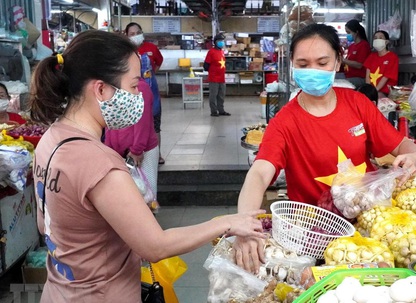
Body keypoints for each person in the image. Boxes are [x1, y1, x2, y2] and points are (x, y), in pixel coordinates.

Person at [29, 30, 266, 302]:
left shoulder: (51, 139)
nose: (138, 95)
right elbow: (155, 246)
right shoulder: (99, 162)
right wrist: (226, 222)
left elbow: (44, 223)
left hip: (59, 292)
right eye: (132, 86)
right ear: (101, 89)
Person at [232, 23, 416, 273]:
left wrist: (413, 155)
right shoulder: (285, 121)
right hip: (313, 237)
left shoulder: (358, 104)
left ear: (338, 61)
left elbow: (401, 144)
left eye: (322, 63)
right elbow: (259, 173)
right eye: (303, 64)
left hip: (367, 230)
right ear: (292, 64)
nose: (313, 70)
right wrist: (245, 224)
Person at [104, 77, 159, 198]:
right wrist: (109, 149)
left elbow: (143, 122)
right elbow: (109, 121)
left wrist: (136, 150)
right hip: (118, 152)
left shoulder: (140, 87)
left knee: (147, 195)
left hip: (142, 150)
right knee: (127, 194)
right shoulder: (112, 87)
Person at [125, 22, 165, 164]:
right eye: (132, 34)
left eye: (138, 32)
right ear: (127, 36)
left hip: (152, 95)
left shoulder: (151, 48)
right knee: (136, 126)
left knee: (155, 126)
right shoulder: (125, 52)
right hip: (132, 96)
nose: (136, 36)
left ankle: (158, 154)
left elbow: (159, 62)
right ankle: (133, 151)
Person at [363, 30, 399, 98]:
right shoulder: (371, 56)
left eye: (380, 38)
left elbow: (385, 77)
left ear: (386, 42)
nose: (377, 40)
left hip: (385, 92)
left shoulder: (392, 57)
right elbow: (367, 76)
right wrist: (368, 90)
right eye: (375, 38)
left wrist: (374, 91)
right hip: (372, 90)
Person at [204, 33, 231, 117]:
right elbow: (206, 65)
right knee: (213, 95)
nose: (221, 43)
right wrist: (213, 71)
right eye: (220, 41)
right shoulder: (211, 52)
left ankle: (221, 110)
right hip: (214, 78)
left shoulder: (222, 52)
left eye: (222, 41)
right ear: (215, 42)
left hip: (222, 78)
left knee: (221, 95)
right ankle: (214, 111)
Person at [342, 19, 371, 87]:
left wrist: (343, 60)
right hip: (348, 75)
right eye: (347, 33)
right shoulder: (351, 46)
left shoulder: (363, 45)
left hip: (360, 78)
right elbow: (348, 62)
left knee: (341, 84)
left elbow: (359, 65)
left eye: (349, 32)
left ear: (356, 32)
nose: (347, 35)